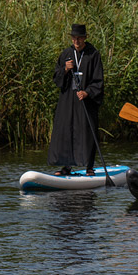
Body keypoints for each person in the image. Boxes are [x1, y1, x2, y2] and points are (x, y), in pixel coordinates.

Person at [48, 23, 104, 175]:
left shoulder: (93, 55)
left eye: (79, 38)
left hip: (85, 101)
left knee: (87, 132)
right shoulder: (66, 54)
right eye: (74, 38)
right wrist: (65, 69)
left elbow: (99, 81)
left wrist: (87, 92)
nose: (76, 41)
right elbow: (56, 78)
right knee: (66, 131)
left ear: (85, 38)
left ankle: (89, 167)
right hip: (68, 101)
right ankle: (66, 167)